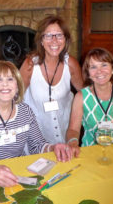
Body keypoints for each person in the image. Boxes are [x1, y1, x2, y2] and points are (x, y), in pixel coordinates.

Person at [0, 61, 72, 188]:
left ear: (17, 86)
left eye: (10, 79)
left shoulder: (25, 111)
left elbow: (37, 145)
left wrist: (53, 148)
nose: (5, 84)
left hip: (17, 173)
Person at [20, 15, 83, 144]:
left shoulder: (71, 63)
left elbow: (85, 94)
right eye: (48, 35)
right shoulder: (30, 65)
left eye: (59, 35)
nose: (54, 40)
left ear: (65, 39)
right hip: (37, 135)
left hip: (65, 132)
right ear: (41, 41)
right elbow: (15, 97)